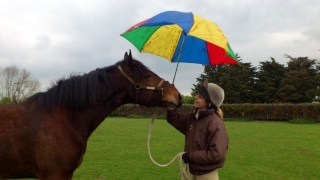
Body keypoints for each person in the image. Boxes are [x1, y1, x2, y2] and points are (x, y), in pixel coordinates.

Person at [166, 79, 229, 180]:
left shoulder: (216, 124)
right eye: (197, 95)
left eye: (200, 97)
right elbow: (175, 119)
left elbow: (217, 154)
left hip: (206, 175)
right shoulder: (193, 117)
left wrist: (191, 156)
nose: (195, 97)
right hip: (190, 171)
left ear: (209, 103)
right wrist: (171, 105)